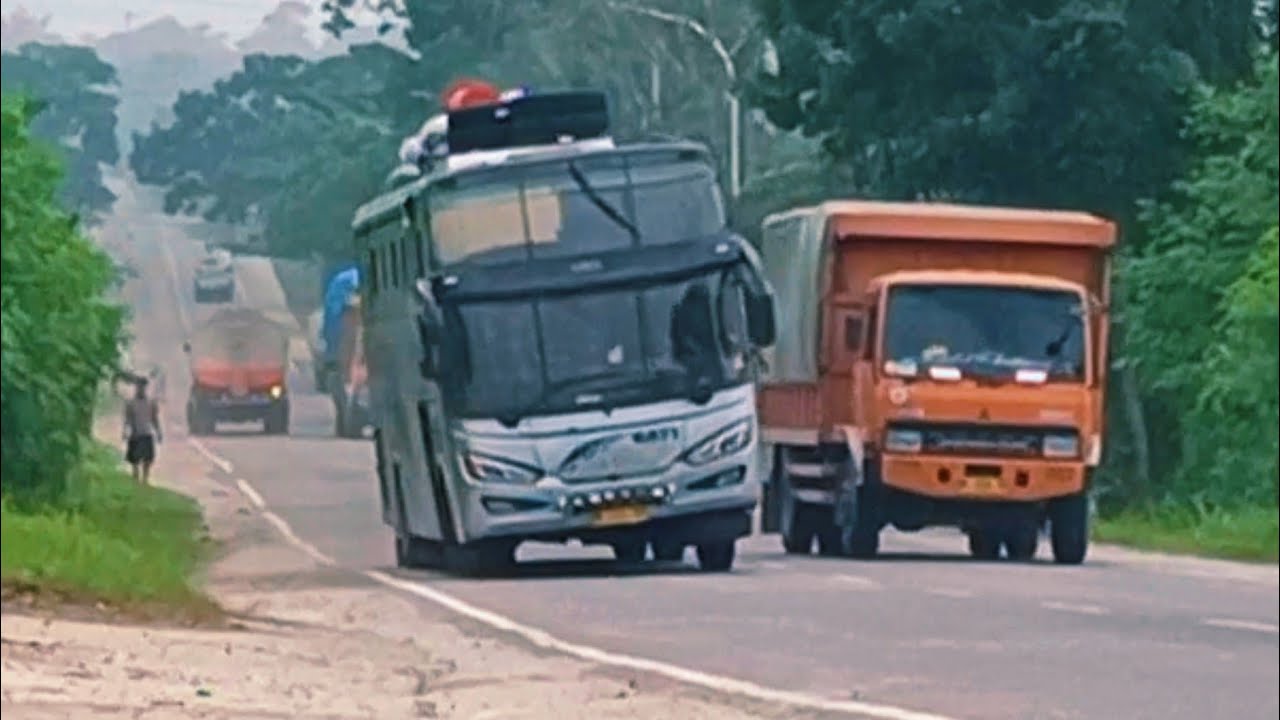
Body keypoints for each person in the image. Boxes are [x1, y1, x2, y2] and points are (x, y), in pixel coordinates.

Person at [122, 378, 162, 484]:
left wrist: (158, 432)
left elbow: (154, 419)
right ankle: (135, 478)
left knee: (148, 460)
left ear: (145, 388)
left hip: (147, 433)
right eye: (139, 386)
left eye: (143, 387)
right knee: (134, 460)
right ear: (136, 387)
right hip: (135, 433)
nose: (140, 389)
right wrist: (125, 431)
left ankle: (145, 479)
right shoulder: (130, 403)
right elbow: (128, 419)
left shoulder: (151, 403)